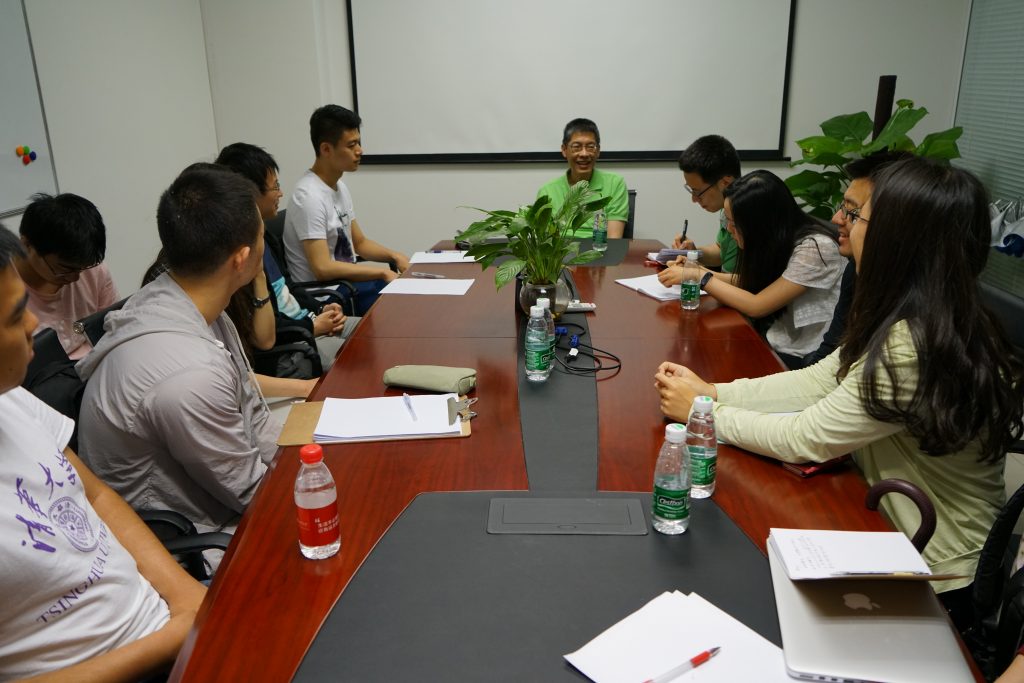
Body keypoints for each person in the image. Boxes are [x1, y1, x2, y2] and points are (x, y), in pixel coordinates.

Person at [654, 157, 1024, 631]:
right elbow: (818, 380)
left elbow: (806, 437)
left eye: (855, 214)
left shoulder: (915, 342)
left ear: (898, 235)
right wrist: (713, 391)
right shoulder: (915, 312)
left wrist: (704, 412)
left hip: (936, 568)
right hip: (889, 523)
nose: (837, 221)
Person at [0, 223, 206, 681]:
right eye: (14, 316)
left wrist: (188, 600)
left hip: (166, 621)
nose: (33, 324)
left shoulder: (11, 398)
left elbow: (94, 496)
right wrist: (172, 638)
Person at [77, 166, 308, 535]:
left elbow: (253, 415)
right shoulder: (190, 375)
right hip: (194, 539)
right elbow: (251, 494)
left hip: (215, 498)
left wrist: (307, 465)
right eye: (262, 236)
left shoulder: (188, 302)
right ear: (241, 259)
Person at [659, 170, 844, 366]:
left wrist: (701, 277)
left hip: (805, 354)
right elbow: (752, 282)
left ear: (759, 223)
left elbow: (757, 305)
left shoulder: (815, 248)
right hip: (776, 337)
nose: (729, 229)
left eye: (733, 222)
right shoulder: (776, 240)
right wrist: (696, 271)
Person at [215, 142, 354, 370]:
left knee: (374, 333)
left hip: (308, 322)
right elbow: (261, 331)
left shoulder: (267, 238)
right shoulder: (239, 258)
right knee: (360, 359)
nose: (280, 193)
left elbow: (289, 287)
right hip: (295, 342)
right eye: (275, 187)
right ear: (250, 193)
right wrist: (312, 326)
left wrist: (322, 309)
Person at [283, 104, 410, 316]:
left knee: (409, 295)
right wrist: (380, 273)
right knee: (401, 307)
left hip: (347, 285)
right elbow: (322, 268)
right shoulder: (308, 197)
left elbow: (360, 243)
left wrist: (395, 255)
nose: (360, 151)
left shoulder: (338, 186)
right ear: (326, 149)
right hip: (327, 295)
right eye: (351, 145)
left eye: (358, 142)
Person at [797, 150, 913, 368]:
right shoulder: (856, 269)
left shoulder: (913, 324)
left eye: (853, 212)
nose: (836, 219)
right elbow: (834, 352)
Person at [14, 192, 119, 359]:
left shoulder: (93, 271)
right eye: (65, 268)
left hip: (95, 363)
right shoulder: (7, 289)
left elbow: (114, 327)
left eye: (81, 269)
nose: (75, 278)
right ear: (27, 245)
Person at [536, 118, 629, 239]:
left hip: (600, 248)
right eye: (577, 147)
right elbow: (545, 241)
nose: (584, 154)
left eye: (590, 146)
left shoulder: (615, 184)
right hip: (561, 250)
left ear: (598, 151)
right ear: (564, 150)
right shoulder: (547, 191)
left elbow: (614, 239)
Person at [672, 135, 742, 273]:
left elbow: (743, 281)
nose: (694, 199)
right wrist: (694, 252)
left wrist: (696, 273)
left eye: (697, 192)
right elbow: (722, 252)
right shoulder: (727, 209)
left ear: (725, 182)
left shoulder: (750, 213)